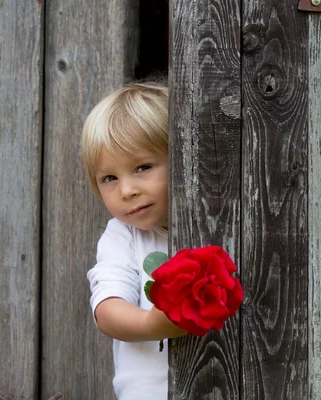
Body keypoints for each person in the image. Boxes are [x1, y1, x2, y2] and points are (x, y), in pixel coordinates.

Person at [81, 81, 186, 400]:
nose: (127, 190)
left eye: (142, 167)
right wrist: (152, 325)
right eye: (109, 178)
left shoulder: (218, 222)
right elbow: (107, 309)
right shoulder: (121, 236)